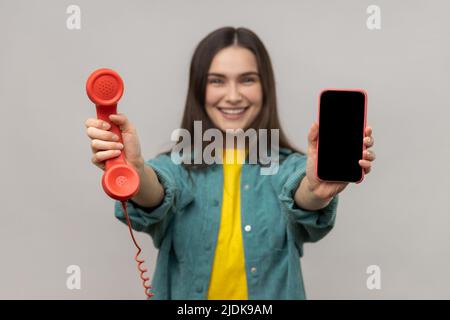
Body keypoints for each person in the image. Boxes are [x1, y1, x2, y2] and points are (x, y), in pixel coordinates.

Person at [84, 27, 376, 299]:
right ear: (200, 89)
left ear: (265, 88)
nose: (233, 96)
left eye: (247, 79)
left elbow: (303, 194)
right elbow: (155, 189)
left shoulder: (289, 166)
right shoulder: (178, 165)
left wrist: (315, 188)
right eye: (217, 81)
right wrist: (135, 171)